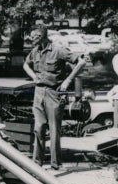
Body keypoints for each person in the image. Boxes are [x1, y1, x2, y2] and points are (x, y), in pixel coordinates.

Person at [23, 25, 87, 170]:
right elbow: (26, 65)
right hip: (38, 93)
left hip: (54, 93)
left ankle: (55, 164)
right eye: (32, 37)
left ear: (43, 37)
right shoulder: (35, 51)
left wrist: (68, 81)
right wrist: (33, 76)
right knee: (38, 128)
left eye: (35, 37)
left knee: (54, 130)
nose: (32, 40)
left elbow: (81, 62)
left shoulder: (58, 50)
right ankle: (37, 163)